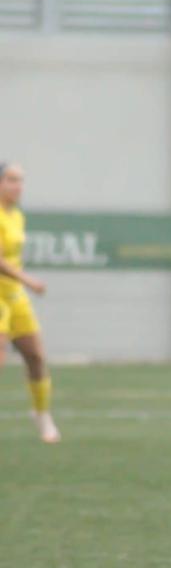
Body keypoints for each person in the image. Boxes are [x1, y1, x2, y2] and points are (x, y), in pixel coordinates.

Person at [0, 162, 59, 444]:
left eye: (20, 180)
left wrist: (21, 285)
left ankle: (41, 414)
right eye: (12, 180)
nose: (18, 186)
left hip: (15, 298)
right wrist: (29, 280)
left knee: (36, 357)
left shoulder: (17, 216)